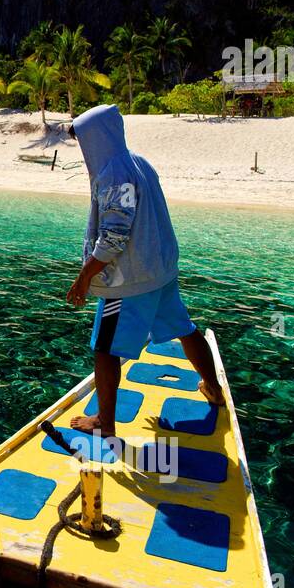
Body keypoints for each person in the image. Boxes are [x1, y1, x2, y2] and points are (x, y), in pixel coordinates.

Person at [63, 105, 225, 440]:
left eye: (83, 140)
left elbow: (113, 238)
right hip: (160, 271)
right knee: (184, 327)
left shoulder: (113, 175)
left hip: (129, 282)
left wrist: (83, 278)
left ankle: (104, 424)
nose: (82, 148)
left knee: (105, 350)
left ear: (96, 138)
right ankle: (212, 388)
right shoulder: (140, 162)